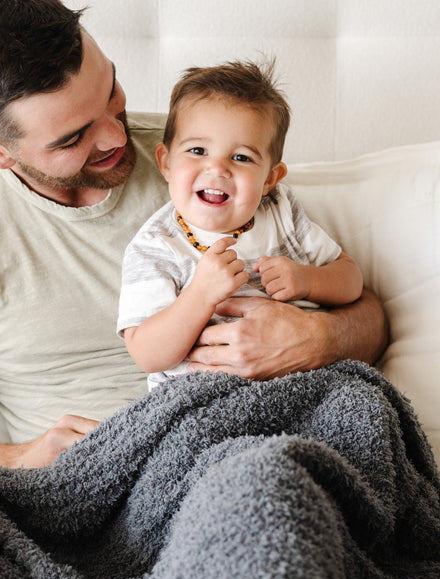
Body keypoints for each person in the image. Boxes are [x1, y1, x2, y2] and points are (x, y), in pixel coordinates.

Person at [0, 0, 387, 468]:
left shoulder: (206, 158)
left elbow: (371, 316)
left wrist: (315, 341)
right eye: (73, 136)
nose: (113, 135)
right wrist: (20, 458)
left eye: (111, 93)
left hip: (269, 441)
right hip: (118, 486)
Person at [118, 61, 364, 389]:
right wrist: (199, 296)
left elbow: (351, 281)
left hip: (300, 384)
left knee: (366, 403)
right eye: (197, 150)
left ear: (270, 179)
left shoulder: (280, 211)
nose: (217, 168)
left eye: (242, 157)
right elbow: (148, 355)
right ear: (165, 162)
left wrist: (308, 279)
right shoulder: (156, 246)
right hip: (202, 398)